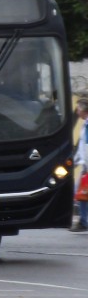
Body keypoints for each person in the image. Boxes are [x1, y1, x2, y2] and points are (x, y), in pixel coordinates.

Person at [71, 98, 88, 232]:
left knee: (81, 193)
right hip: (84, 164)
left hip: (86, 166)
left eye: (78, 109)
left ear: (83, 110)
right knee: (81, 194)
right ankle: (83, 221)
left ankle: (83, 221)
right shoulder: (85, 125)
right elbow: (82, 146)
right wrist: (74, 162)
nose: (76, 111)